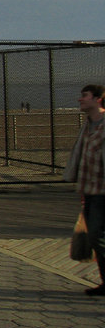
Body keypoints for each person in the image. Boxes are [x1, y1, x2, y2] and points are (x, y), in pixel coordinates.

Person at [64, 84, 105, 295]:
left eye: (84, 96)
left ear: (98, 99)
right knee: (95, 237)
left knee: (98, 235)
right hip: (89, 190)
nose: (80, 99)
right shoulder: (88, 125)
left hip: (102, 192)